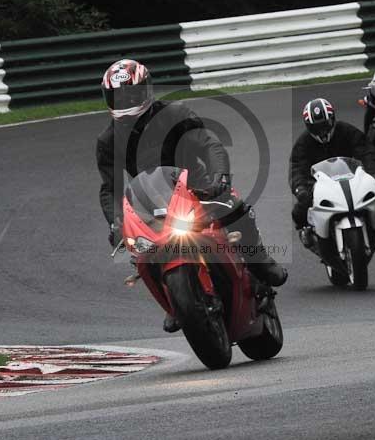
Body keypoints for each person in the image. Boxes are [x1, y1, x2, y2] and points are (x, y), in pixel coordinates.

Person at [96, 59, 288, 330]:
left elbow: (208, 143)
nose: (124, 101)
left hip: (197, 188)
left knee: (234, 207)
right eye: (117, 96)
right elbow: (110, 187)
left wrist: (219, 177)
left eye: (129, 93)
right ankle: (174, 300)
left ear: (145, 90)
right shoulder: (108, 140)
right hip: (149, 204)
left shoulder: (174, 114)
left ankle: (261, 263)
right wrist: (116, 221)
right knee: (139, 251)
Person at [288, 98, 375, 249]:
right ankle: (305, 230)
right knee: (299, 210)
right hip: (319, 186)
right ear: (309, 127)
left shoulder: (346, 131)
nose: (322, 131)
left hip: (350, 179)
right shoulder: (303, 143)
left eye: (324, 125)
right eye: (316, 127)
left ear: (332, 120)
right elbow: (297, 168)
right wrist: (301, 189)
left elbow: (367, 151)